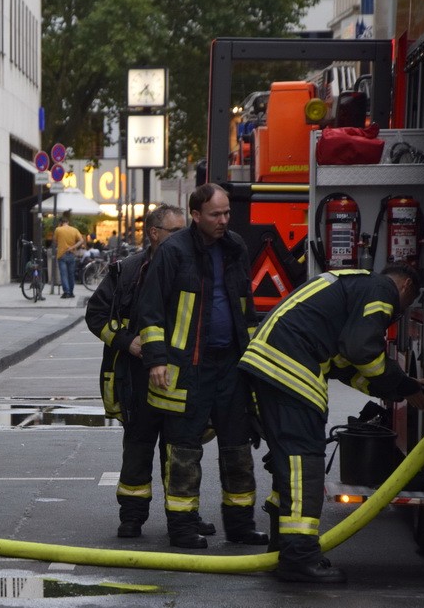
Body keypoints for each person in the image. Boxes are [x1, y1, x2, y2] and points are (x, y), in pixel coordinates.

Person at [239, 262, 424, 583]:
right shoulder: (383, 289)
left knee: (290, 461)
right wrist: (407, 386)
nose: (400, 311)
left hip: (271, 362)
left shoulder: (353, 289)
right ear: (406, 287)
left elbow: (347, 365)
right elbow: (361, 350)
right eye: (408, 304)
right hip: (290, 365)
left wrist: (404, 387)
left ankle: (284, 545)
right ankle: (298, 558)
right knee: (305, 461)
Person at [137, 183, 267, 549]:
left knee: (237, 449)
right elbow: (150, 310)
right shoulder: (174, 252)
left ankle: (240, 526)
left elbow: (246, 304)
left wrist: (254, 357)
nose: (224, 220)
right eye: (216, 214)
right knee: (184, 451)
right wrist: (157, 360)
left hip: (231, 367)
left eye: (227, 213)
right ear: (196, 215)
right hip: (187, 368)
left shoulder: (235, 247)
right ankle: (181, 528)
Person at [85, 204, 191, 539]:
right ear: (155, 233)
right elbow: (96, 316)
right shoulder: (127, 270)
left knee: (181, 450)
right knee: (138, 446)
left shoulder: (193, 266)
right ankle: (132, 516)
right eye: (176, 231)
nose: (183, 237)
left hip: (181, 375)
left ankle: (186, 518)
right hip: (138, 375)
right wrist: (126, 343)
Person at [54, 210, 85, 299]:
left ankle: (66, 292)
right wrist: (73, 247)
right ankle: (71, 292)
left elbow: (55, 241)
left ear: (61, 223)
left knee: (64, 274)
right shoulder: (74, 230)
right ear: (68, 222)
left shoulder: (58, 229)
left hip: (61, 254)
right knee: (71, 274)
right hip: (72, 254)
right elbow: (81, 240)